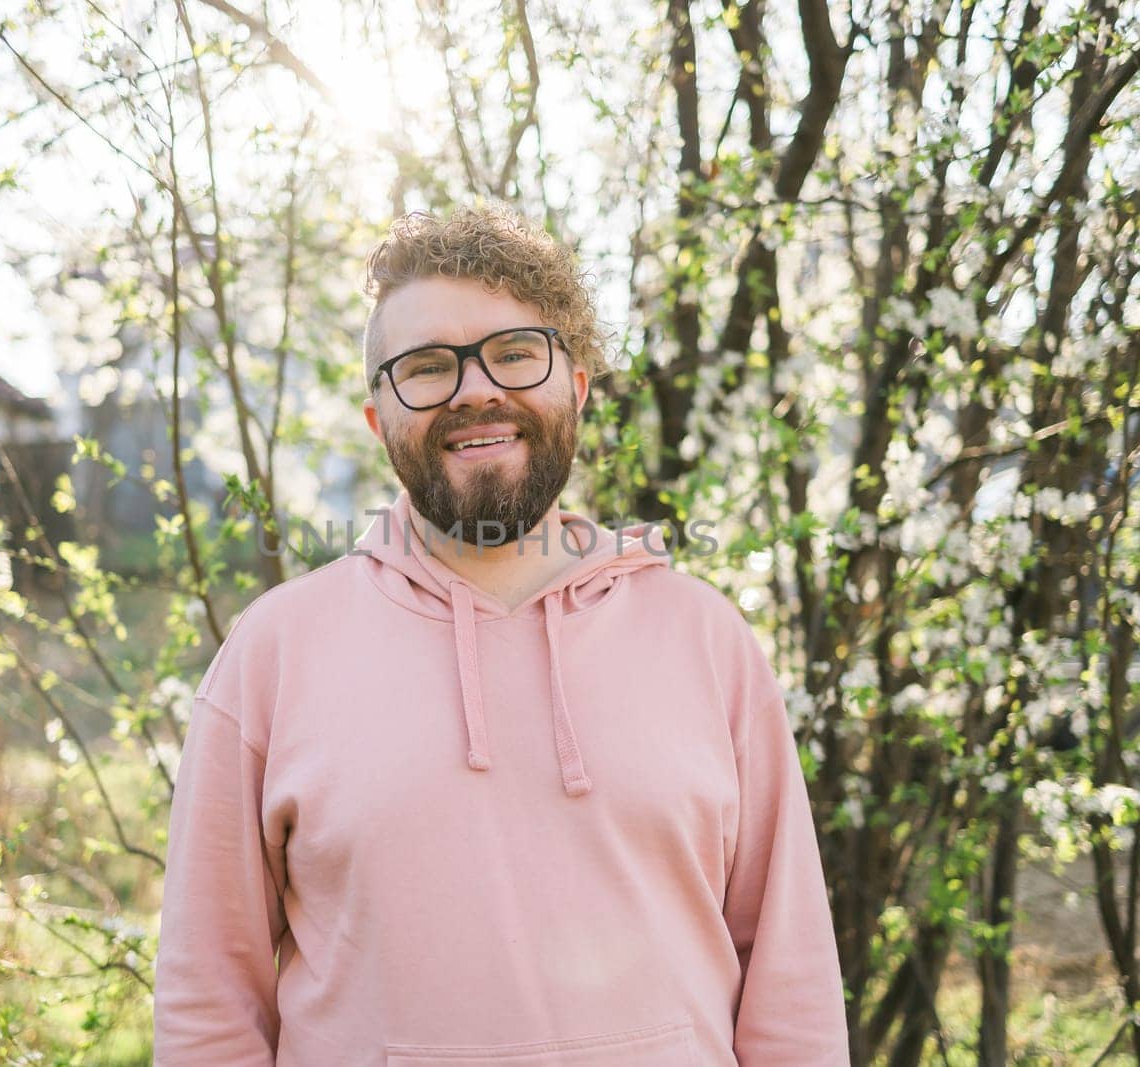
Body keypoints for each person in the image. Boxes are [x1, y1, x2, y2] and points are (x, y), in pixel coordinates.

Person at [153, 205, 848, 1065]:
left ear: (577, 387)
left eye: (515, 352)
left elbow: (792, 985)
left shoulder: (707, 640)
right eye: (428, 367)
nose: (477, 390)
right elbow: (207, 1002)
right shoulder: (274, 654)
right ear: (380, 421)